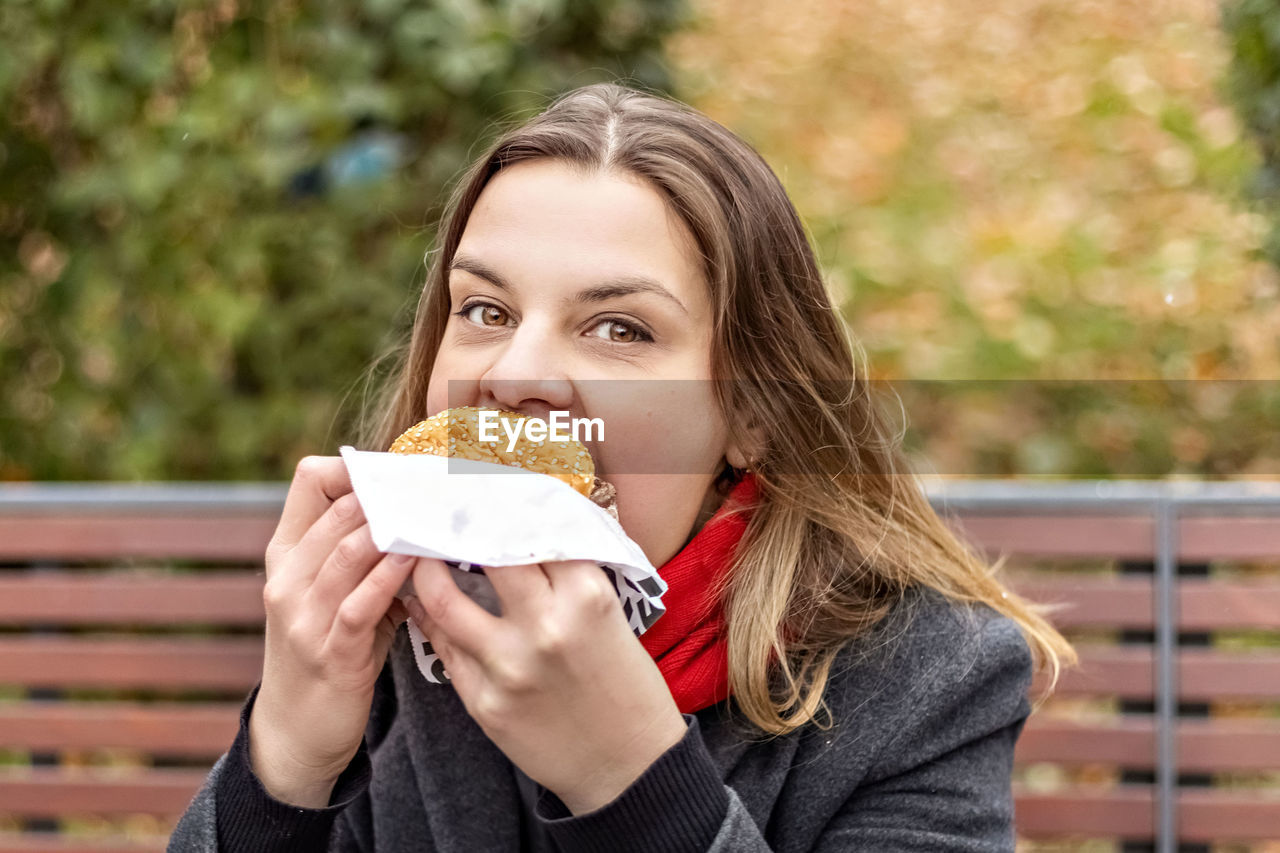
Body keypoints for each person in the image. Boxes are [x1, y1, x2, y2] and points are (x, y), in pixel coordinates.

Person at [170, 82, 1076, 852]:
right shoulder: (390, 635)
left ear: (751, 414)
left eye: (620, 329)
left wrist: (631, 781)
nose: (515, 376)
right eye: (484, 309)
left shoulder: (929, 679)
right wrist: (283, 761)